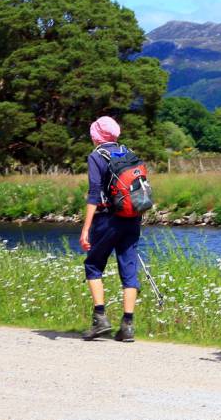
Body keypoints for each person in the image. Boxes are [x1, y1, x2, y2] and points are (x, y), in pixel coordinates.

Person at [80, 116, 143, 342]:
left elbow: (94, 192)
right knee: (129, 267)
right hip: (133, 217)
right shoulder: (129, 153)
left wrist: (86, 227)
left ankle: (100, 319)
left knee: (93, 264)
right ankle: (127, 326)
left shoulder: (97, 156)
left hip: (107, 218)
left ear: (96, 134)